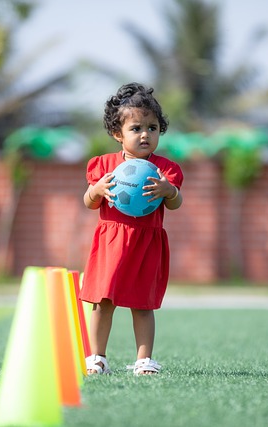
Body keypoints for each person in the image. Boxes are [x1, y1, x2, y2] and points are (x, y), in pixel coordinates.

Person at [80, 82, 184, 375]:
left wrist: (169, 191)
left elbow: (175, 204)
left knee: (142, 304)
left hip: (146, 243)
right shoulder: (104, 166)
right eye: (136, 128)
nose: (145, 135)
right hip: (111, 241)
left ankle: (144, 360)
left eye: (152, 128)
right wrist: (97, 189)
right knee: (102, 301)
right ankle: (97, 358)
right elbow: (88, 202)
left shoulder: (165, 170)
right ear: (117, 134)